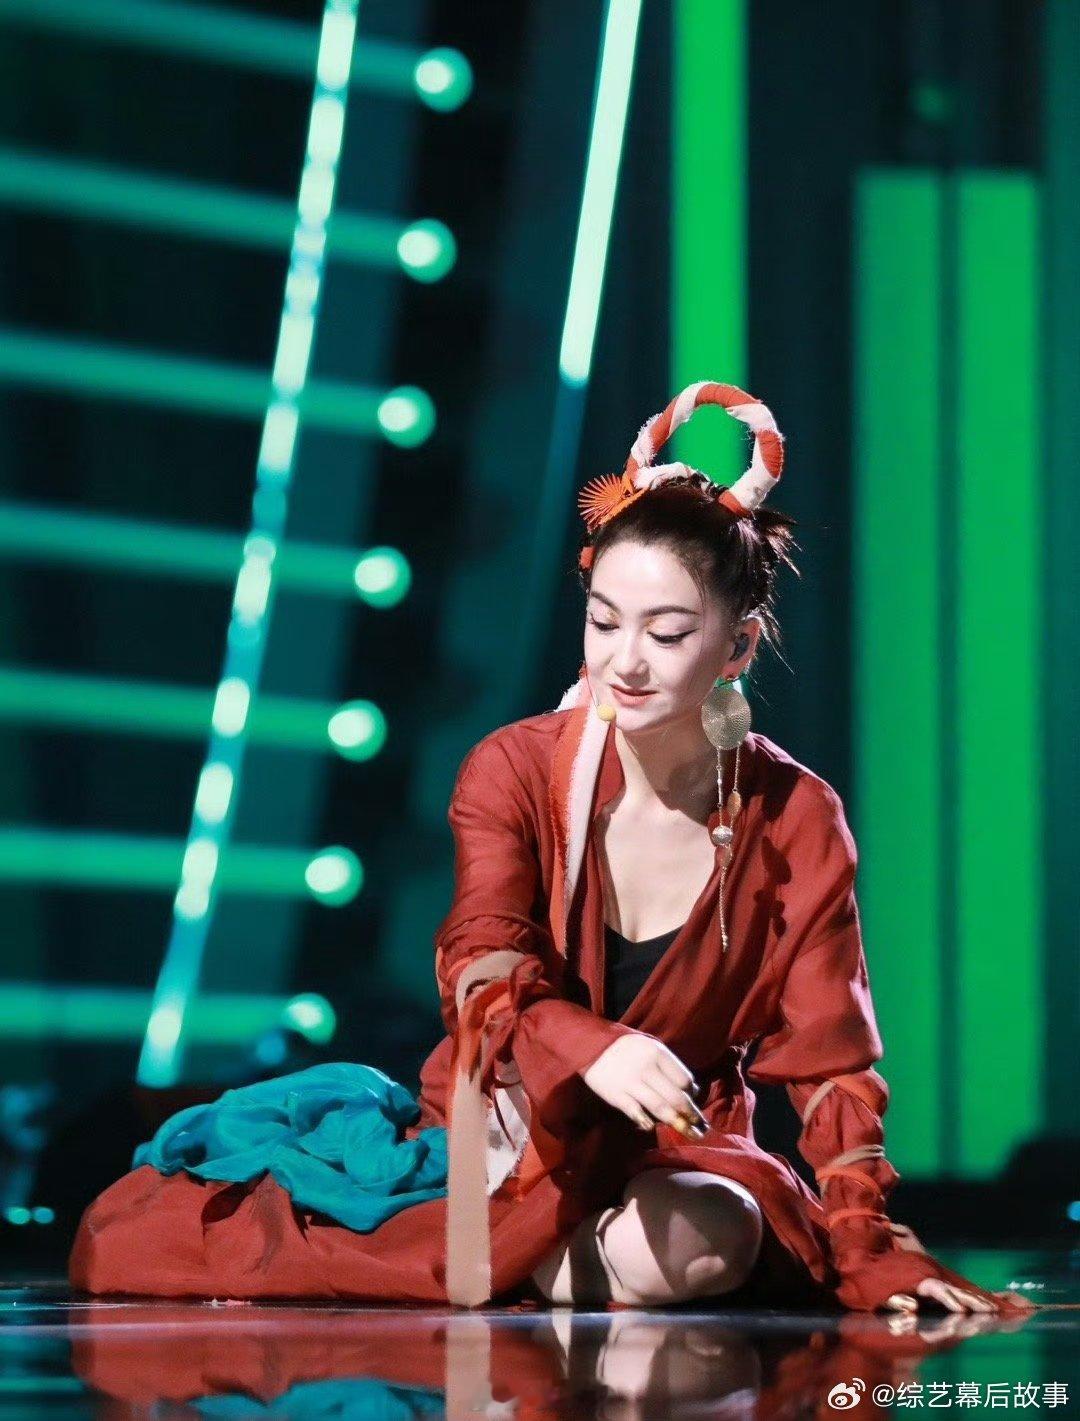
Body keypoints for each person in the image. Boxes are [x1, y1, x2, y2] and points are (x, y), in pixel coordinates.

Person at [69, 381, 1035, 1317]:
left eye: (667, 632)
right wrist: (591, 1045)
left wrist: (864, 1236)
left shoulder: (795, 814)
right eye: (604, 621)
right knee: (146, 1237)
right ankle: (520, 1247)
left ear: (738, 648)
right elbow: (480, 966)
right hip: (507, 1128)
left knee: (708, 1237)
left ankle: (529, 1259)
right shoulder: (515, 769)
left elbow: (831, 1056)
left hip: (674, 1152)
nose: (624, 660)